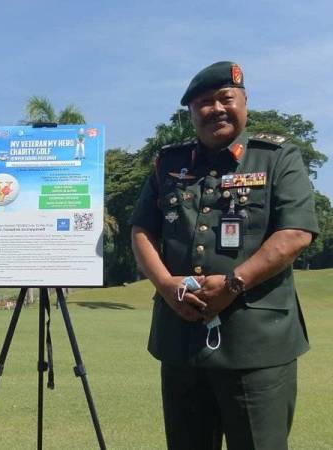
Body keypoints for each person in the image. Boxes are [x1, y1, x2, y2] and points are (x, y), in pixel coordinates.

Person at [130, 61, 319, 450]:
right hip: (181, 340)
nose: (215, 108)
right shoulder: (168, 162)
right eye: (203, 102)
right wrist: (166, 286)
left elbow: (296, 233)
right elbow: (142, 230)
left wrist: (234, 284)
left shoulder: (276, 157)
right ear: (191, 113)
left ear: (244, 102)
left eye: (224, 98)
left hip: (256, 344)